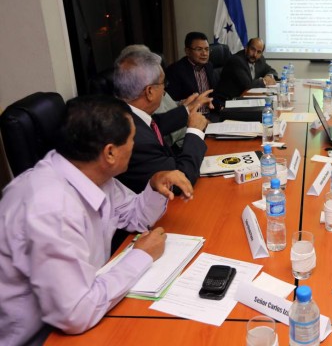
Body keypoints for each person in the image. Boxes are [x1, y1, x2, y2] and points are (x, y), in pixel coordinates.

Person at [0, 95, 194, 346]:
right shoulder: (49, 207)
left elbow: (133, 216)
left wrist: (155, 185)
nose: (134, 145)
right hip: (41, 336)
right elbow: (76, 312)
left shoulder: (88, 172)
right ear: (110, 152)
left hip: (85, 302)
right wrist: (141, 256)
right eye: (132, 139)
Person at [113, 49, 211, 193]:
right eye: (163, 83)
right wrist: (195, 131)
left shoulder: (123, 112)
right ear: (149, 92)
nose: (165, 90)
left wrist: (187, 109)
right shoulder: (137, 140)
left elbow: (156, 124)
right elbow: (180, 181)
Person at [165, 32, 218, 114]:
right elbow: (171, 103)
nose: (204, 53)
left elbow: (214, 94)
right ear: (187, 51)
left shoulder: (209, 66)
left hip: (211, 114)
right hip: (189, 117)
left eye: (207, 49)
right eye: (199, 49)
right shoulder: (175, 70)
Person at [214, 37, 278, 101]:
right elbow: (248, 84)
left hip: (244, 96)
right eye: (252, 49)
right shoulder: (236, 61)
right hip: (228, 100)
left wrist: (268, 76)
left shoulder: (260, 60)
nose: (255, 54)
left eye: (259, 52)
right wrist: (265, 81)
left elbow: (272, 71)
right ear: (246, 48)